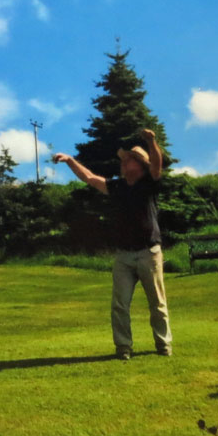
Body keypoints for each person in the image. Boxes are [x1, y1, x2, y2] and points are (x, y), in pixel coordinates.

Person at [52, 129, 171, 360]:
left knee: (157, 303)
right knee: (119, 305)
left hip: (149, 252)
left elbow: (157, 163)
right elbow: (89, 178)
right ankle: (123, 347)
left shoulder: (150, 183)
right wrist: (69, 160)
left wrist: (151, 141)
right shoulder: (117, 187)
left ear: (140, 166)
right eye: (124, 161)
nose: (124, 164)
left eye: (129, 161)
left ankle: (163, 344)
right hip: (123, 256)